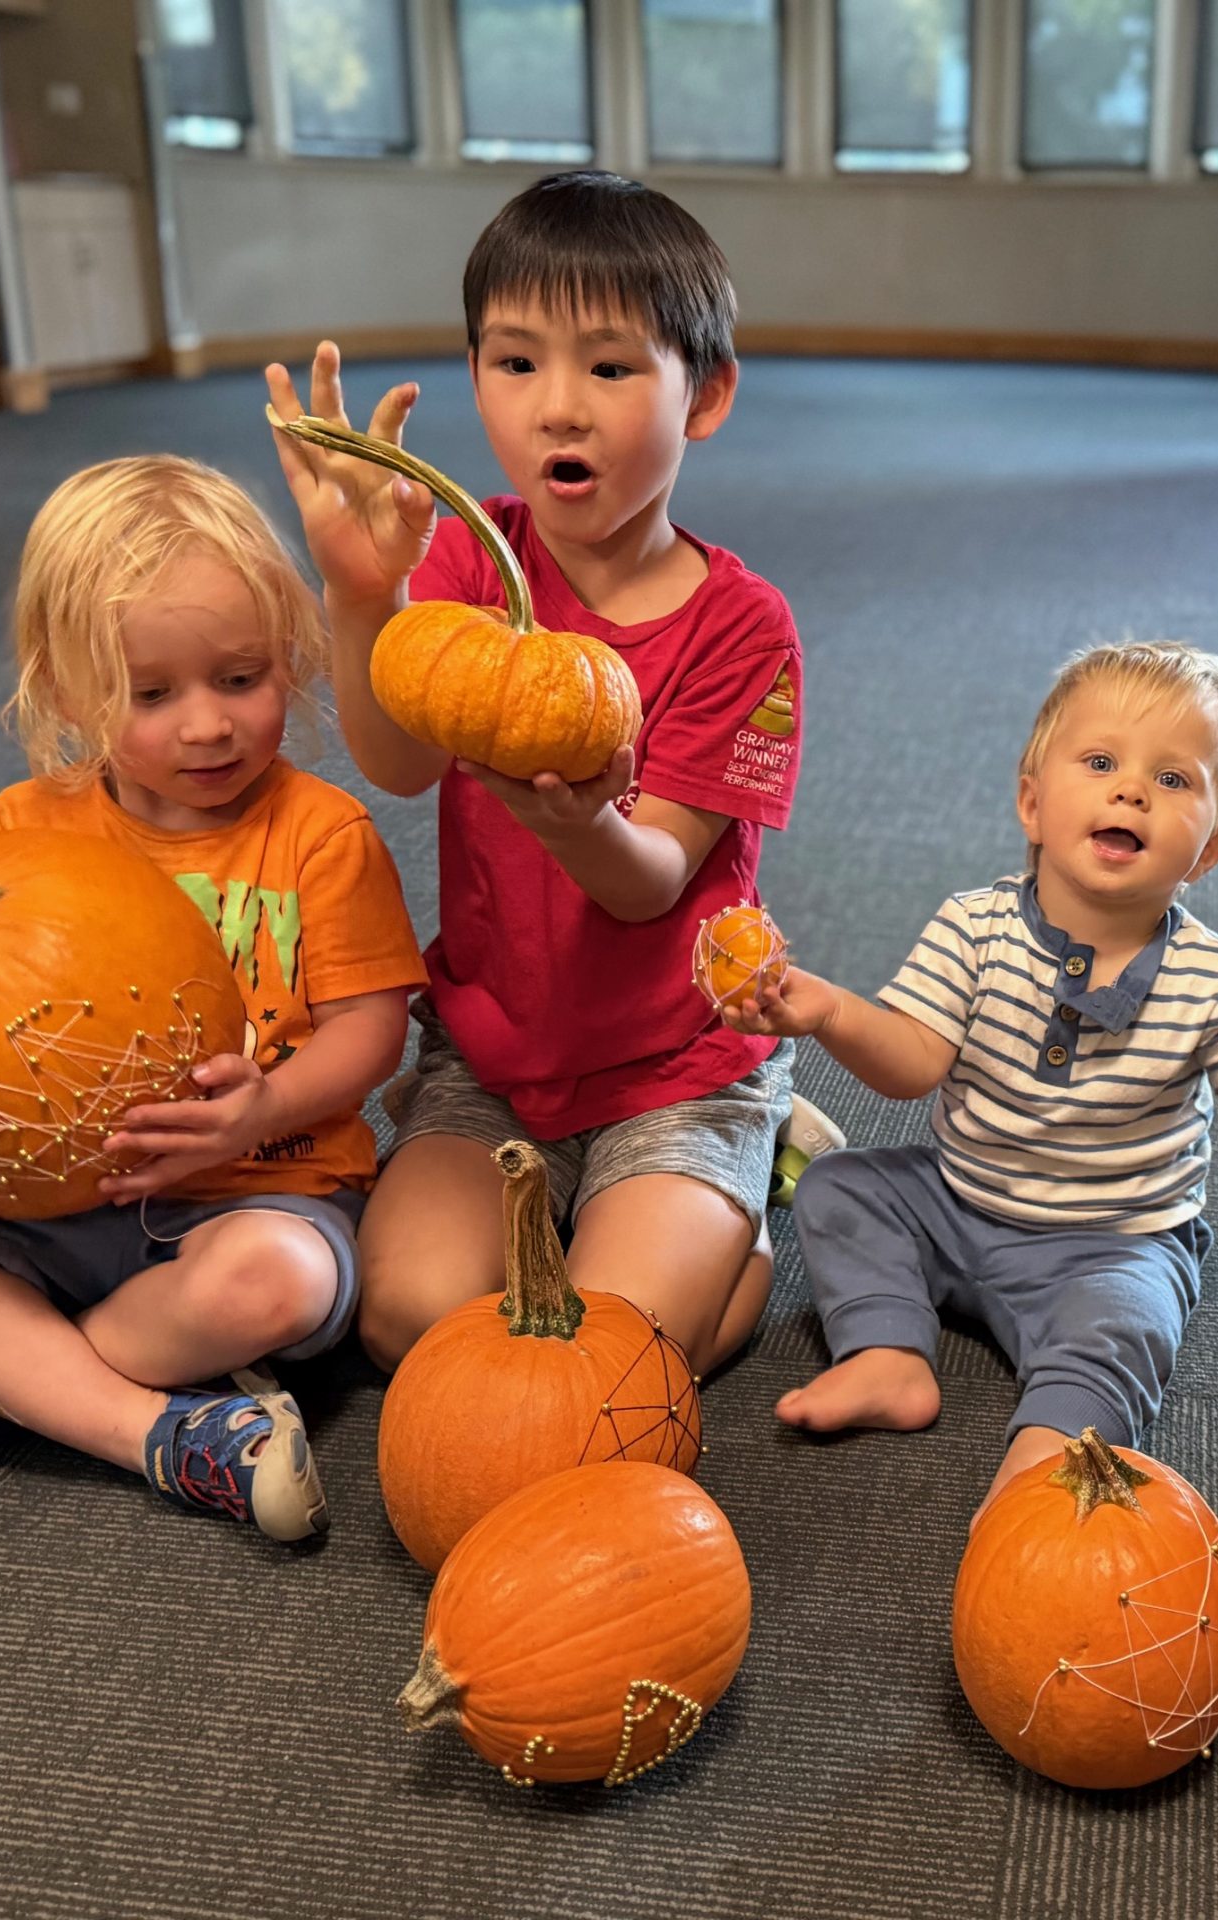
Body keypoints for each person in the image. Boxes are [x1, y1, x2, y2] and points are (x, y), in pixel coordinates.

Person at [0, 456, 426, 1542]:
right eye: (151, 695)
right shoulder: (26, 826)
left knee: (279, 1285)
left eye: (241, 678)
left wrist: (261, 1106)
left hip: (254, 1193)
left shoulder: (320, 835)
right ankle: (150, 1428)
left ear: (290, 658)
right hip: (45, 1211)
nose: (206, 726)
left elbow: (373, 1032)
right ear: (68, 693)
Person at [265, 170, 816, 1379]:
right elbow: (399, 761)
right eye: (516, 363)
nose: (559, 407)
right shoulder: (468, 558)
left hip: (676, 1065)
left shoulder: (744, 627)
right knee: (408, 1321)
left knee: (617, 1355)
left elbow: (650, 879)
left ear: (704, 394)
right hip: (495, 1058)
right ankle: (638, 1219)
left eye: (610, 368)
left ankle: (750, 1188)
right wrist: (362, 593)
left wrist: (569, 823)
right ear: (476, 379)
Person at [721, 641, 1218, 1505]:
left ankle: (1051, 1451)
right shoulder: (973, 928)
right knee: (840, 1188)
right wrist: (832, 1012)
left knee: (1128, 1320)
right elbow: (911, 1061)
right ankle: (887, 1354)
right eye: (1099, 763)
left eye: (1173, 779)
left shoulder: (1215, 978)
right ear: (1031, 804)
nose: (1131, 791)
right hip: (958, 1199)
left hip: (1113, 1241)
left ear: (1210, 850)